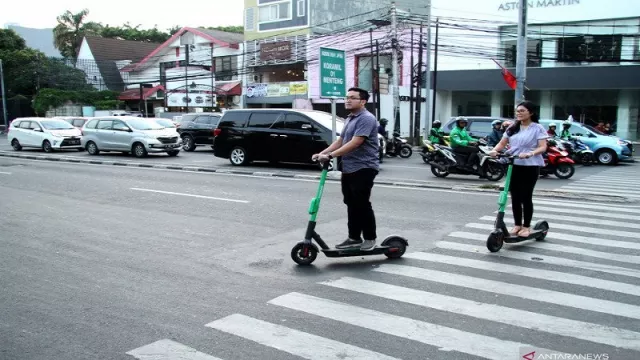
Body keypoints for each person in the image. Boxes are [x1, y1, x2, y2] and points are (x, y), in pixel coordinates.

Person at [312, 87, 380, 250]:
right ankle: (354, 238)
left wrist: (330, 156)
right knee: (351, 203)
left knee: (362, 203)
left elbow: (356, 143)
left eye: (352, 98)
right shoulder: (350, 118)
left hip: (364, 167)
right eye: (347, 97)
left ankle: (370, 239)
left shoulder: (366, 118)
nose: (347, 100)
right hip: (349, 168)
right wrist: (322, 153)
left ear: (362, 101)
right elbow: (341, 141)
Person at [490, 100, 548, 238]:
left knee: (526, 196)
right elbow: (502, 143)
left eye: (522, 111)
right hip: (514, 163)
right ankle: (517, 225)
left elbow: (543, 146)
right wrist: (494, 150)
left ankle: (526, 226)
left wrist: (530, 153)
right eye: (517, 111)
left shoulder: (537, 128)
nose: (519, 113)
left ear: (531, 113)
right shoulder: (512, 128)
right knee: (515, 196)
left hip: (531, 165)